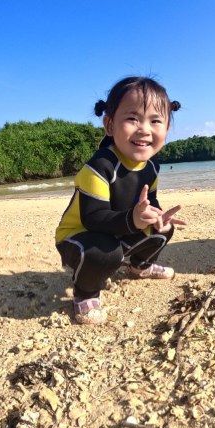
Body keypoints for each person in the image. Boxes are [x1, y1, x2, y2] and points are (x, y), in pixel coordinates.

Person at [55, 76, 186, 325]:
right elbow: (93, 217)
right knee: (106, 253)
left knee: (162, 231)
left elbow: (149, 202)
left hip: (117, 230)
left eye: (155, 121)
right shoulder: (100, 166)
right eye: (132, 118)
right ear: (109, 124)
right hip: (79, 238)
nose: (144, 129)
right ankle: (85, 292)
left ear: (166, 129)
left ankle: (140, 266)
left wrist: (156, 217)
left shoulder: (152, 167)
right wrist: (133, 219)